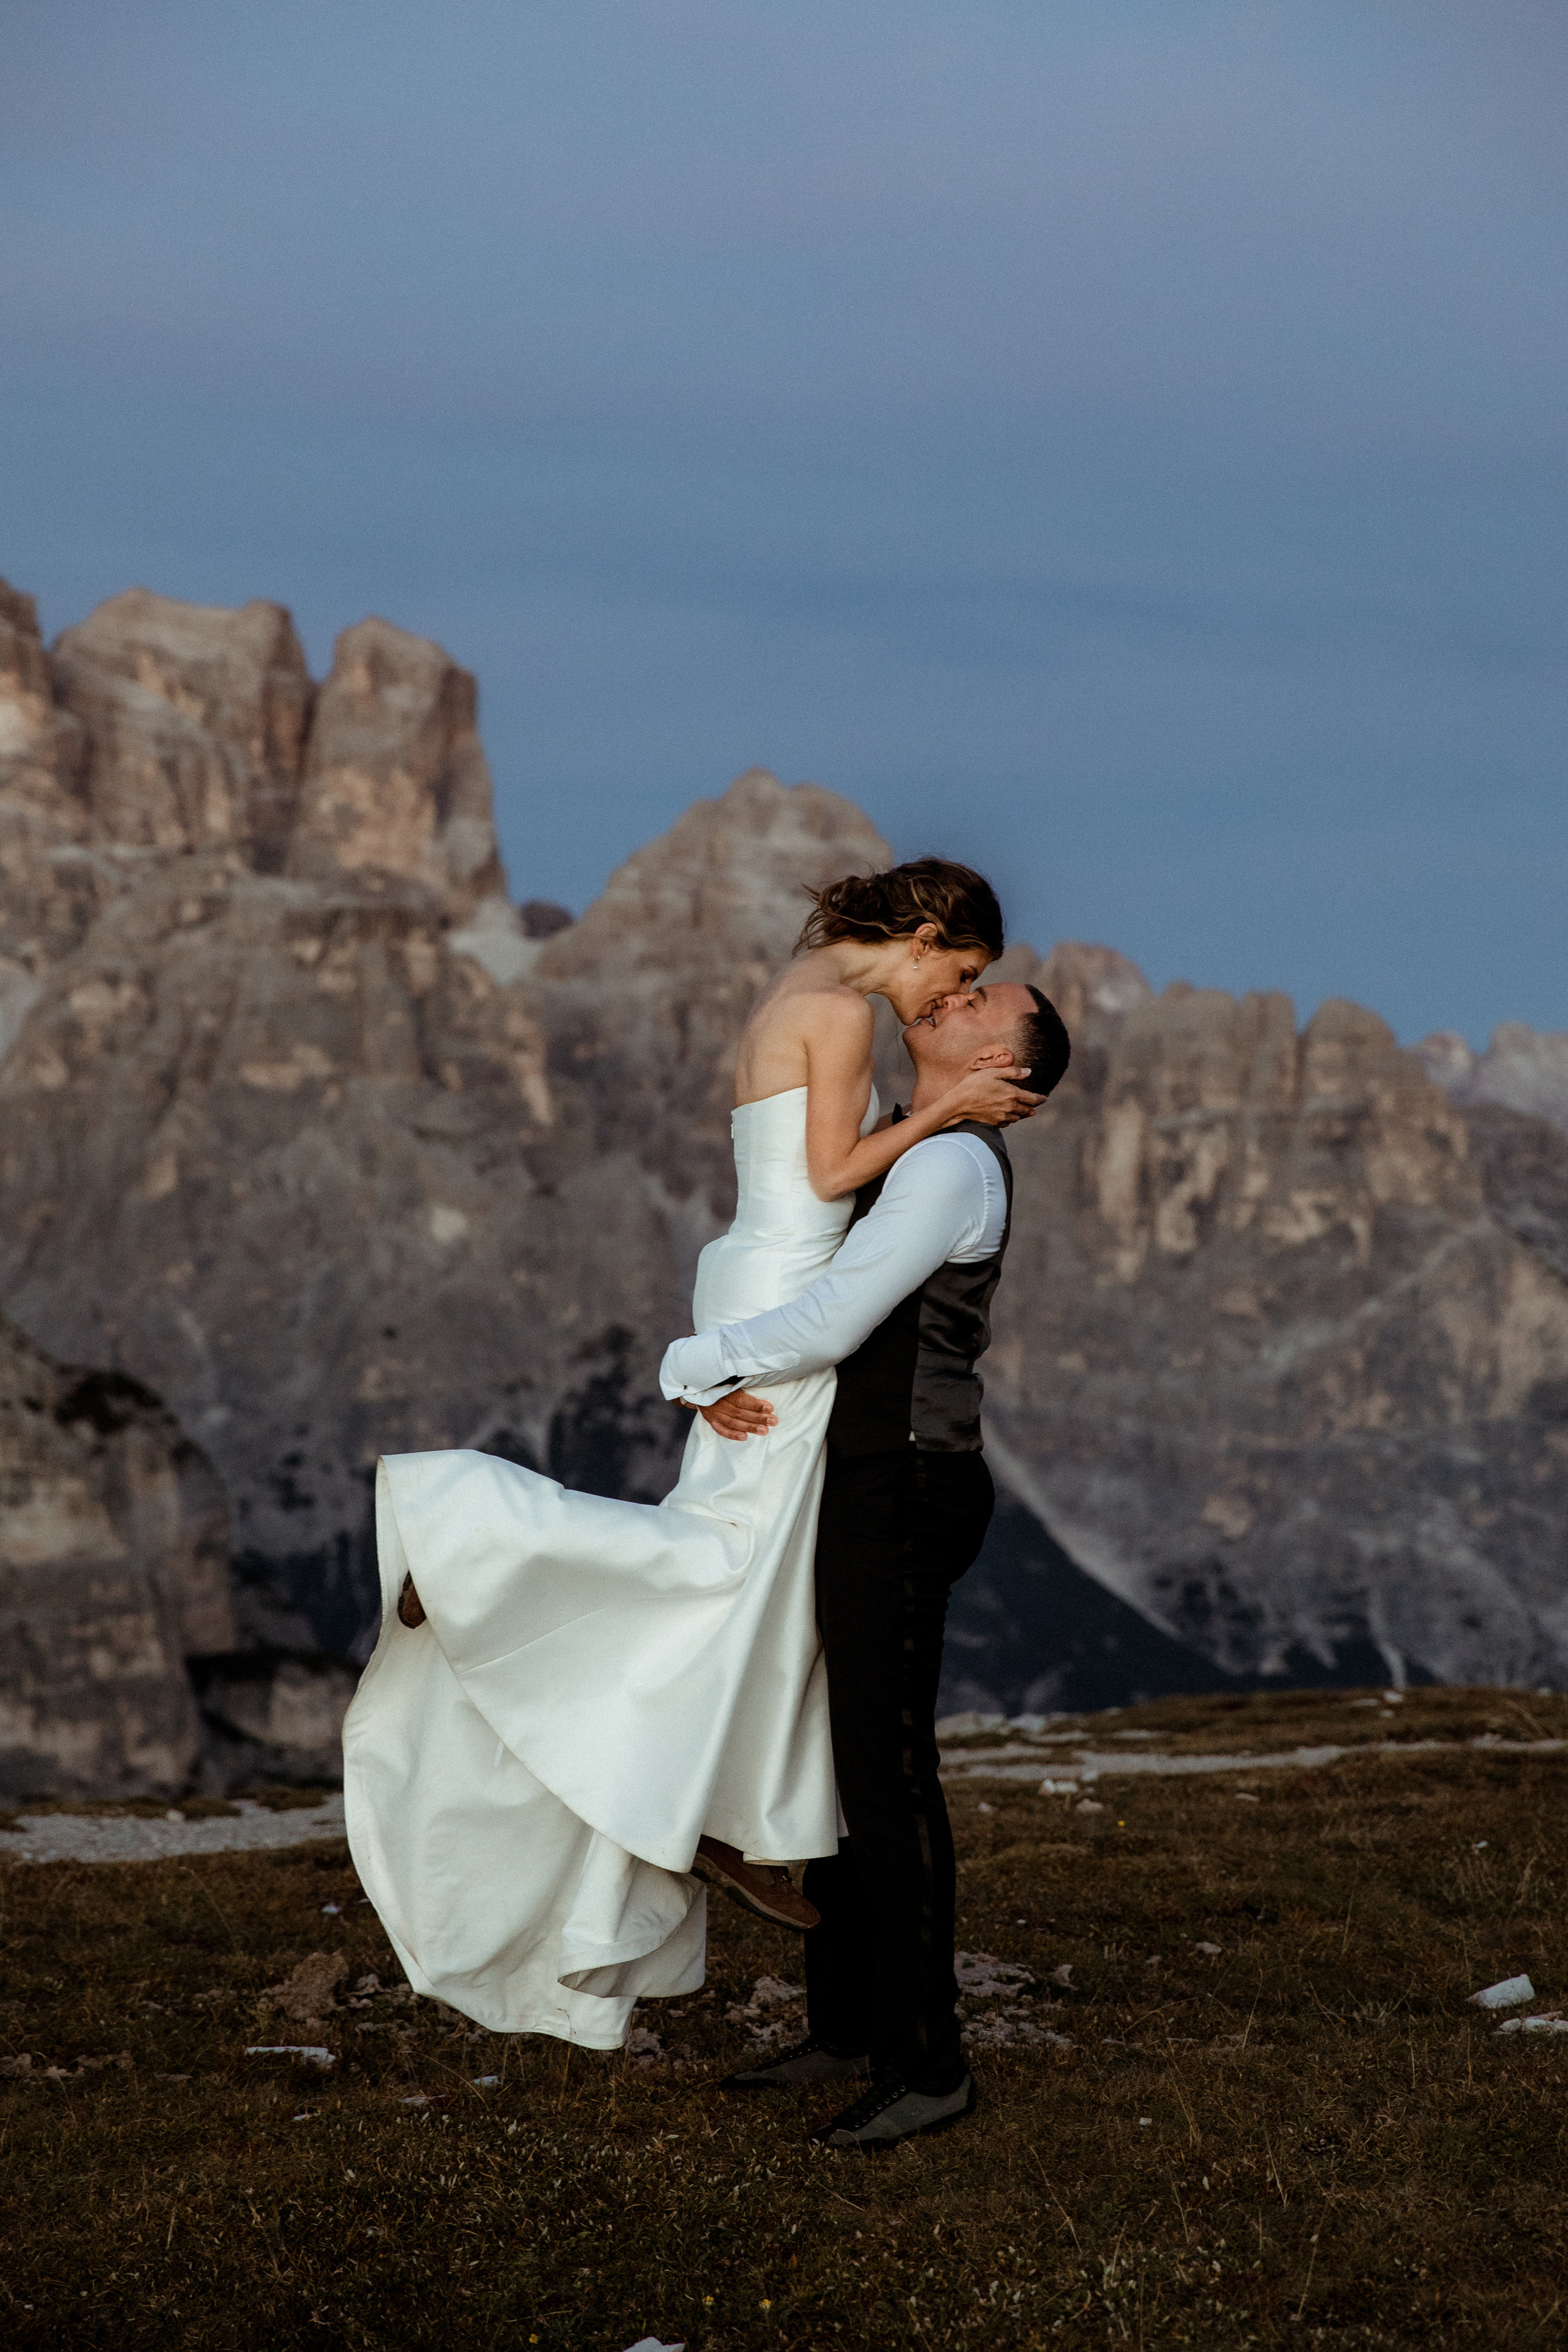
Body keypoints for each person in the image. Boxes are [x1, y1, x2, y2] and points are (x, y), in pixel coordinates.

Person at [342, 858, 1039, 2053]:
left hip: (758, 1274)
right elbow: (830, 1176)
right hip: (786, 1289)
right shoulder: (839, 1011)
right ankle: (466, 1540)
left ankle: (718, 1804)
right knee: (728, 1560)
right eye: (961, 971)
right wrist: (943, 1112)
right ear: (926, 935)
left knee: (755, 1572)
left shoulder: (799, 990)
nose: (950, 997)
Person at [661, 976, 1071, 2147]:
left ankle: (928, 2067)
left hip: (904, 1486)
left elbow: (835, 1318)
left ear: (1004, 1063)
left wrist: (691, 1365)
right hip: (869, 1479)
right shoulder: (919, 1138)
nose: (953, 992)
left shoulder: (950, 1167)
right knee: (842, 1766)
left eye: (982, 997)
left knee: (885, 1775)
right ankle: (843, 2027)